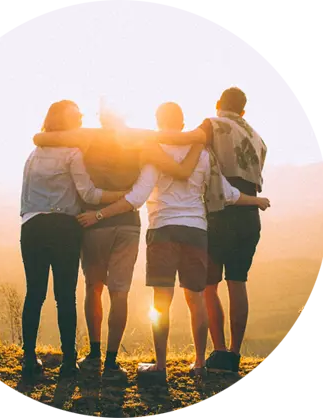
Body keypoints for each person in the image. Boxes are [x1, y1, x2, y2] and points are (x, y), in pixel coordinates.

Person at [77, 102, 270, 378]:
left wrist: (100, 214)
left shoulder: (155, 152)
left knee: (161, 302)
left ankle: (160, 366)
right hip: (196, 231)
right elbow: (227, 193)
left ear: (158, 122)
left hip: (163, 229)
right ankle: (200, 364)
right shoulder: (203, 153)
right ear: (182, 124)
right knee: (197, 300)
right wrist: (257, 200)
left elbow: (137, 197)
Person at [33, 107, 203, 381]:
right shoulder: (140, 139)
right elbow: (178, 148)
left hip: (93, 223)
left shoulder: (85, 137)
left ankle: (94, 355)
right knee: (119, 292)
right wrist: (198, 135)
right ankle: (112, 363)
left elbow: (40, 138)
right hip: (127, 224)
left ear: (101, 117)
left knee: (93, 287)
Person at [20, 100, 127, 380]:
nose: (80, 120)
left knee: (34, 294)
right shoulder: (73, 153)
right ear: (66, 123)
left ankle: (29, 359)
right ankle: (69, 362)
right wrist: (122, 196)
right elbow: (89, 194)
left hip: (31, 226)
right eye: (76, 117)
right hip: (64, 228)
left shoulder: (34, 153)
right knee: (64, 297)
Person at [198, 87, 268, 373]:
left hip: (219, 213)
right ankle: (235, 355)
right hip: (249, 216)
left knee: (209, 285)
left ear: (218, 104)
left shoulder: (211, 124)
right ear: (243, 110)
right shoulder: (257, 137)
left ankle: (219, 351)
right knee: (238, 282)